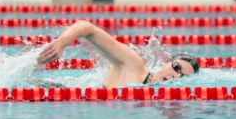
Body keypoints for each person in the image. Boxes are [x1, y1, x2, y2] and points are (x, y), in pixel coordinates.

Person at [37, 20, 199, 88]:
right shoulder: (134, 65)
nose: (176, 76)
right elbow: (88, 27)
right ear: (165, 62)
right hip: (55, 92)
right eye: (177, 67)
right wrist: (62, 42)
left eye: (182, 76)